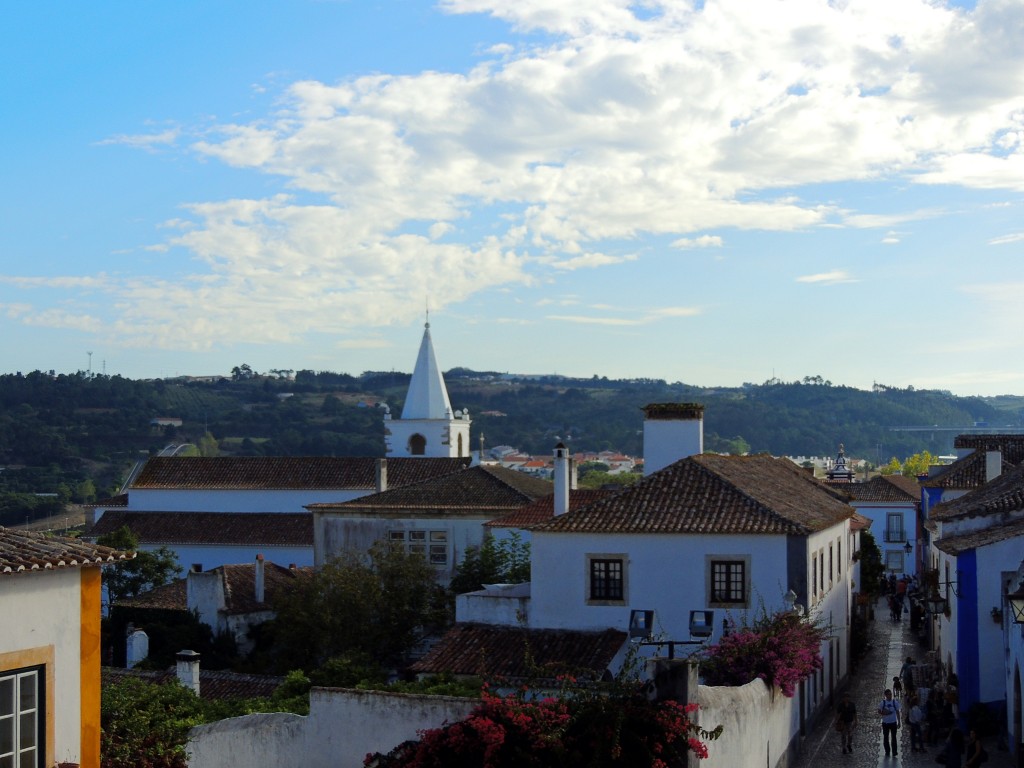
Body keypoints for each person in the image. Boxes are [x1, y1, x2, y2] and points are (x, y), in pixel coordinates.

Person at [878, 688, 901, 756]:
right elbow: (879, 711)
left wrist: (899, 722)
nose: (890, 695)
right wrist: (884, 713)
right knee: (886, 737)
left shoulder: (895, 702)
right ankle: (887, 751)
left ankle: (894, 752)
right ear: (885, 695)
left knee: (894, 737)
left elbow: (897, 712)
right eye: (888, 694)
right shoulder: (883, 703)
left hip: (893, 722)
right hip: (885, 723)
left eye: (891, 694)